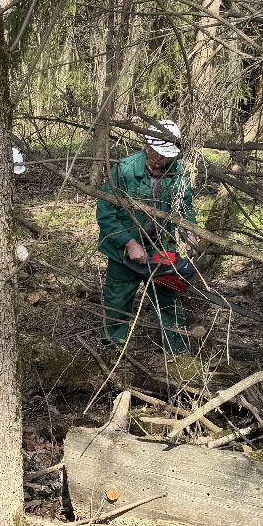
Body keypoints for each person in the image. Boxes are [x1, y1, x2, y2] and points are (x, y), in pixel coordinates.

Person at [96, 119, 197, 353]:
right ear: (147, 147)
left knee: (167, 297)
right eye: (159, 154)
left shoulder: (178, 173)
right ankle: (114, 349)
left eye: (167, 156)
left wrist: (190, 233)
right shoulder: (124, 169)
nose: (163, 160)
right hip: (123, 250)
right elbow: (105, 214)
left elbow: (185, 208)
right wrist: (129, 243)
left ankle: (176, 351)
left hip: (160, 247)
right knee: (118, 301)